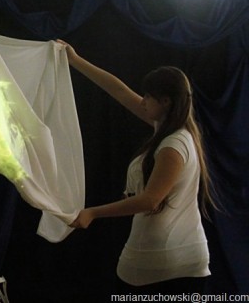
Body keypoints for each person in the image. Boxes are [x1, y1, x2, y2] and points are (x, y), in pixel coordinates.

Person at [60, 40, 216, 295]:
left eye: (148, 97)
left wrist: (92, 213)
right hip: (177, 259)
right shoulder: (170, 128)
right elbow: (119, 91)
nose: (142, 101)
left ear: (165, 101)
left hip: (162, 263)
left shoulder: (173, 145)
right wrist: (75, 60)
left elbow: (150, 200)